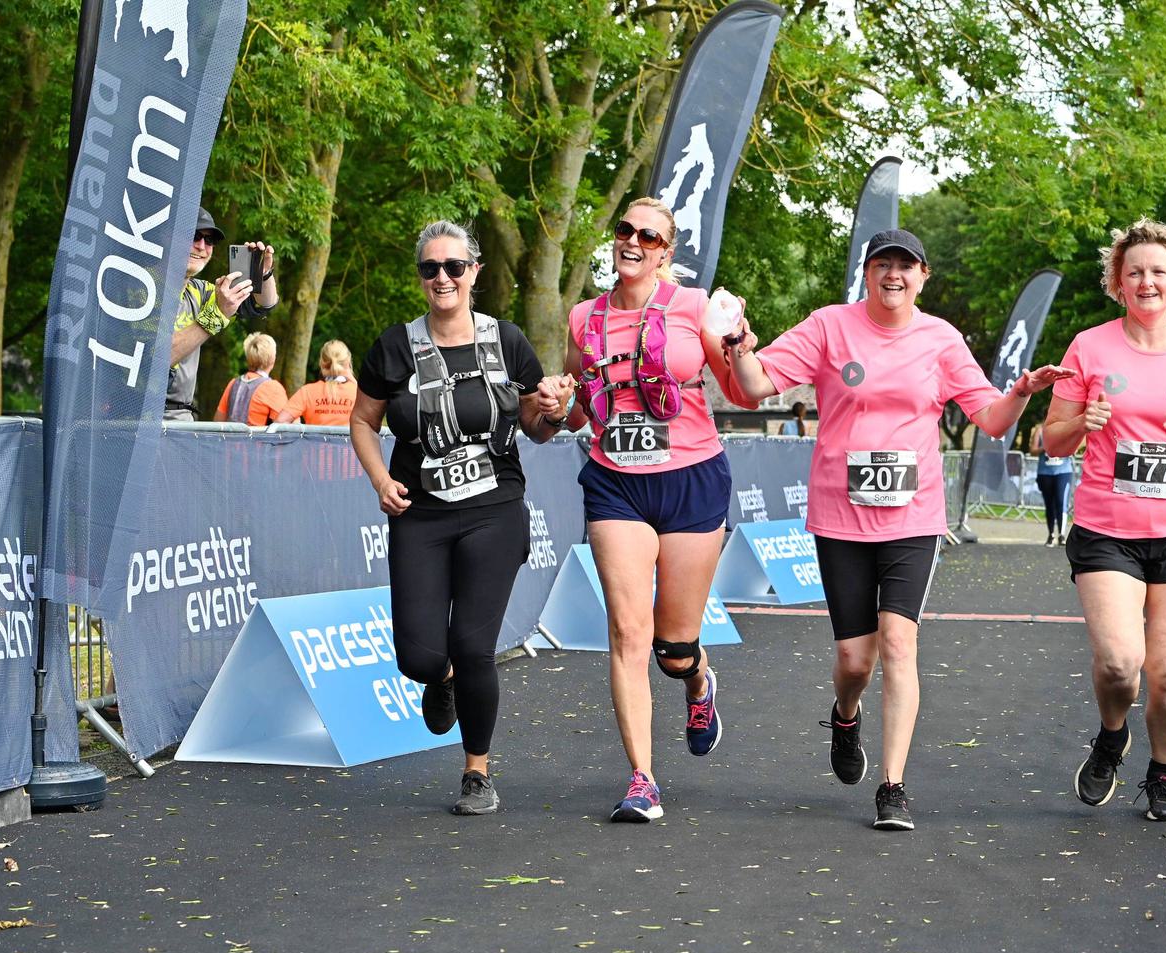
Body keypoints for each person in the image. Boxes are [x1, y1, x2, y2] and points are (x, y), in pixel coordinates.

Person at [725, 228, 1074, 830]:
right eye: (883, 264)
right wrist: (735, 344)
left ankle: (893, 786)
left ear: (923, 276)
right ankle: (844, 713)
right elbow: (756, 386)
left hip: (912, 520)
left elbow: (990, 420)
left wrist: (1019, 391)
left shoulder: (941, 340)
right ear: (867, 273)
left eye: (906, 267)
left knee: (900, 644)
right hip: (840, 515)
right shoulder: (830, 326)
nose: (894, 275)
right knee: (854, 660)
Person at [350, 220, 573, 816]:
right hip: (419, 513)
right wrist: (379, 479)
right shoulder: (394, 346)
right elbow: (362, 421)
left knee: (475, 645)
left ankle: (477, 771)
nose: (442, 278)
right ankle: (440, 675)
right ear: (420, 277)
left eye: (454, 267)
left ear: (474, 272)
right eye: (431, 268)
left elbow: (537, 427)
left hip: (493, 509)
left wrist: (553, 411)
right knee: (418, 657)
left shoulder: (507, 342)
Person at [1040, 218, 1166, 822]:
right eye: (1134, 271)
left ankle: (1162, 773)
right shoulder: (1090, 347)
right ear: (1118, 281)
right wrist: (1084, 423)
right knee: (1117, 663)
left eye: (1159, 271)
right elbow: (1051, 440)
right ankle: (1111, 736)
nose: (1147, 281)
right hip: (1108, 530)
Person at [556, 196, 755, 824]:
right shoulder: (582, 317)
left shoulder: (696, 309)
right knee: (627, 633)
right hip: (616, 484)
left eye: (649, 235)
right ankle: (642, 778)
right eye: (625, 230)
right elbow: (576, 409)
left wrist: (743, 342)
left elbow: (745, 393)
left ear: (666, 252)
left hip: (692, 479)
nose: (633, 241)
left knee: (673, 649)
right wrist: (549, 404)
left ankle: (698, 682)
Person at [168, 207, 278, 420]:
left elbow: (264, 306)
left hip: (181, 421)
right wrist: (217, 313)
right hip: (139, 420)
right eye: (194, 236)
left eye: (209, 241)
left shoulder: (199, 291)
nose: (201, 246)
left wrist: (263, 274)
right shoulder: (143, 287)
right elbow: (158, 357)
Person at [277, 340, 359, 426]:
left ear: (322, 363)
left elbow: (280, 422)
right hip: (350, 440)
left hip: (314, 440)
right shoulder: (358, 393)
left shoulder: (307, 391)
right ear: (348, 363)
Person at [215, 333, 290, 426]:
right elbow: (286, 427)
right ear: (272, 359)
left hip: (229, 440)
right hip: (256, 440)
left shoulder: (233, 383)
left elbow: (218, 422)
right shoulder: (273, 388)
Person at [1029, 420, 1074, 545]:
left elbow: (1074, 447)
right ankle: (1051, 535)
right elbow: (1032, 450)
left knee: (1061, 501)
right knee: (1049, 504)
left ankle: (1062, 534)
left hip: (1063, 471)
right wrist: (1045, 448)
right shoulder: (1040, 430)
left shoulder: (1066, 427)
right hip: (1045, 472)